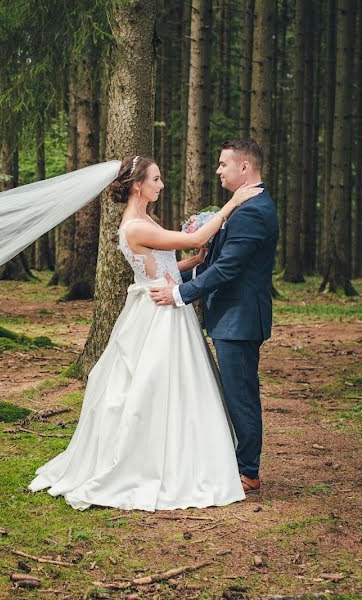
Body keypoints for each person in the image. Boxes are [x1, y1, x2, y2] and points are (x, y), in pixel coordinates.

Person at [28, 155, 262, 511]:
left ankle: (192, 454)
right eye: (155, 179)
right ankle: (156, 462)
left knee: (182, 384)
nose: (161, 185)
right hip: (159, 313)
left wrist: (194, 262)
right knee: (156, 385)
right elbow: (197, 235)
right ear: (138, 185)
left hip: (166, 302)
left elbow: (163, 267)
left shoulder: (146, 220)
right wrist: (232, 203)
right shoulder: (134, 226)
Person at [150, 140, 279, 494]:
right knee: (232, 393)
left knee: (241, 394)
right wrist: (185, 275)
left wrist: (180, 295)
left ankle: (248, 471)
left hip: (240, 319)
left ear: (245, 169)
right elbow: (214, 262)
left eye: (224, 164)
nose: (219, 170)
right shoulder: (243, 207)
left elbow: (227, 269)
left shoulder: (253, 211)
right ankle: (235, 462)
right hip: (229, 316)